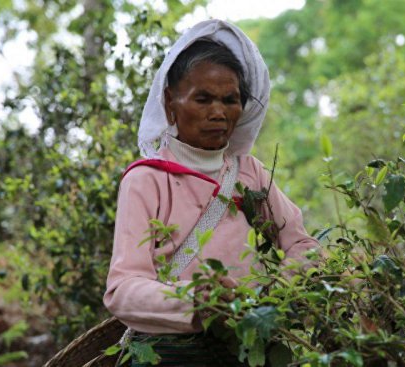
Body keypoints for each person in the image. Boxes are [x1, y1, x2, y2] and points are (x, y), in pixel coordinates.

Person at [103, 19, 318, 365]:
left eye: (229, 100)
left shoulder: (249, 172)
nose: (218, 112)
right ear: (171, 101)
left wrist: (270, 296)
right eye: (202, 99)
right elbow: (124, 288)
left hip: (249, 349)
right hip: (172, 354)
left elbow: (302, 244)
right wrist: (198, 302)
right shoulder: (147, 180)